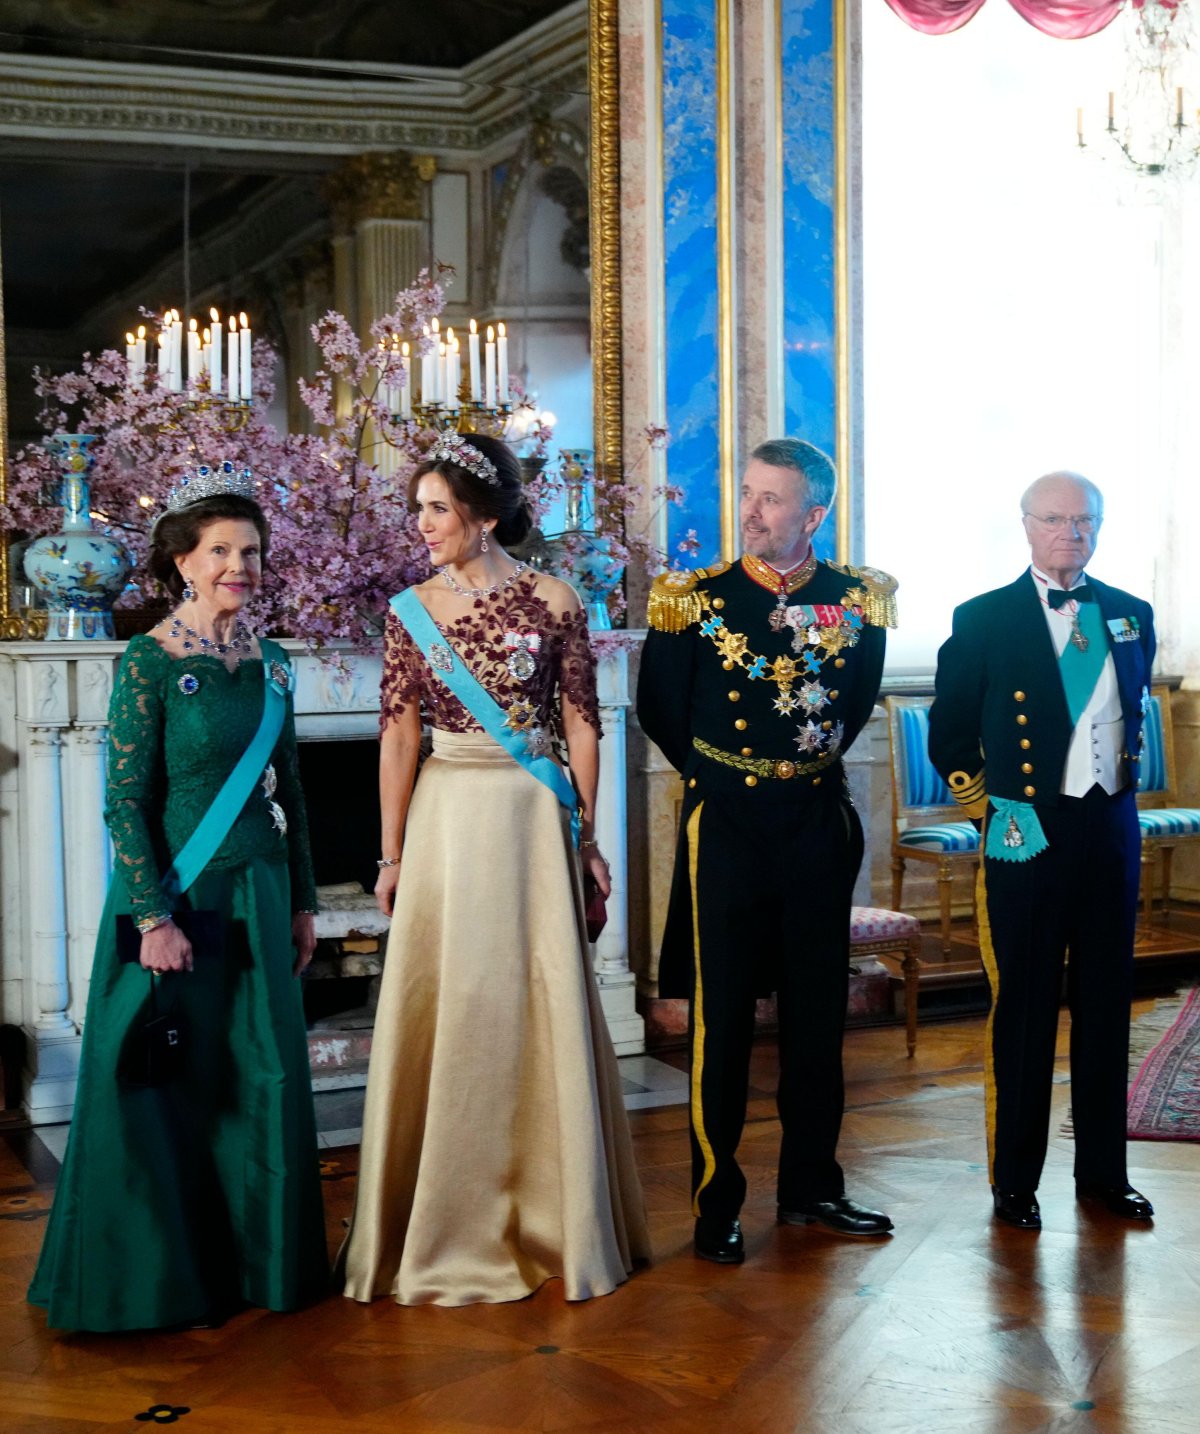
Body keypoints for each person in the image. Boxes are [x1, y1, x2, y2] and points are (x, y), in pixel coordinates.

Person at [338, 432, 648, 1307]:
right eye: (419, 508)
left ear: (481, 514)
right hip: (444, 818)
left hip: (528, 817)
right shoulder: (409, 609)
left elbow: (583, 724)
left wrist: (585, 836)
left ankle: (558, 1215)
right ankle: (442, 1223)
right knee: (455, 997)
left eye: (437, 508)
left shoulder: (554, 599)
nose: (422, 524)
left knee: (535, 994)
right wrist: (391, 853)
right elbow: (396, 734)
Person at [29, 474, 328, 1332]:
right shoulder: (150, 661)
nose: (241, 565)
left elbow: (292, 793)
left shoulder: (269, 663)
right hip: (177, 897)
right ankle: (152, 1280)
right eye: (222, 551)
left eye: (252, 551)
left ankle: (259, 1264)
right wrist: (152, 920)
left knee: (261, 1075)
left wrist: (303, 901)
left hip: (261, 893)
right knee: (162, 1081)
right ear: (183, 563)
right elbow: (123, 802)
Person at [637, 438, 897, 1264]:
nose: (751, 510)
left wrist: (794, 779)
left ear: (813, 513)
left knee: (819, 1014)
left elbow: (853, 705)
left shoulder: (856, 599)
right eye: (747, 493)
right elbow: (661, 713)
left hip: (817, 824)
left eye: (772, 499)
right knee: (722, 1020)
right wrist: (736, 780)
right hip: (731, 827)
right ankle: (718, 1203)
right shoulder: (694, 599)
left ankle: (813, 1186)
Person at [928, 471, 1156, 1230]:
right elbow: (951, 732)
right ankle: (1015, 1182)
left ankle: (1103, 1177)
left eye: (1085, 520)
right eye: (1055, 519)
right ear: (1026, 526)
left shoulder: (1129, 613)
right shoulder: (984, 618)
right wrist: (992, 811)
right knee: (1024, 1008)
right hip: (1027, 832)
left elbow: (1129, 714)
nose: (1072, 533)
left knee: (1104, 1009)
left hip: (1108, 833)